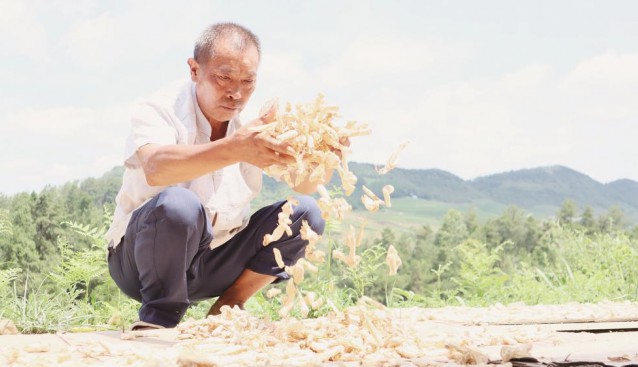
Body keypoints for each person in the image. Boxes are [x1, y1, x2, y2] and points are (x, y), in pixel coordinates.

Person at [105, 22, 329, 330]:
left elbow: (305, 184)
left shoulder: (256, 124)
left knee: (306, 213)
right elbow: (156, 167)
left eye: (248, 81)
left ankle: (228, 305)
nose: (236, 93)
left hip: (215, 261)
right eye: (223, 77)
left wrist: (326, 158)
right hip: (143, 262)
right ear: (194, 70)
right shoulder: (158, 108)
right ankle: (159, 317)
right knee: (178, 205)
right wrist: (235, 149)